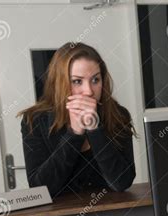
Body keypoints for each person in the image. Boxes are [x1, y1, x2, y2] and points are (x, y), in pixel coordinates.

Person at [19, 42, 136, 197]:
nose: (88, 91)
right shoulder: (34, 120)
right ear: (60, 83)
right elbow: (40, 189)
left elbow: (122, 182)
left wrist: (95, 129)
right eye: (77, 81)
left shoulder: (118, 115)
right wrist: (74, 133)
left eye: (95, 80)